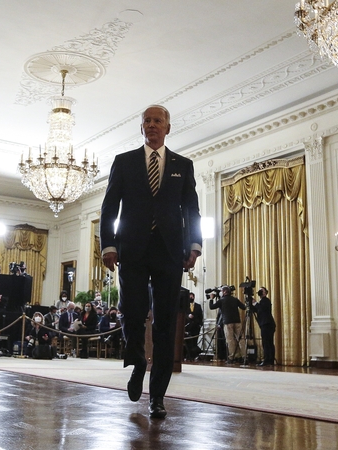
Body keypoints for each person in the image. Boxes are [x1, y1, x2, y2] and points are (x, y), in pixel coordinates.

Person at [100, 104, 202, 419]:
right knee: (132, 313)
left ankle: (157, 396)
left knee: (166, 322)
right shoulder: (124, 162)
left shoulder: (183, 165)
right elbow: (109, 206)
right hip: (131, 248)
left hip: (170, 251)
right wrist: (109, 245)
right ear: (141, 128)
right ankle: (137, 363)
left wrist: (195, 245)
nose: (152, 125)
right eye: (147, 121)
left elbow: (191, 209)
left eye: (158, 120)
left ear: (168, 128)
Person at [209, 286, 246, 364]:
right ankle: (244, 356)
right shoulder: (235, 299)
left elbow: (211, 307)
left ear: (224, 292)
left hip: (227, 322)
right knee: (241, 339)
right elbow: (243, 307)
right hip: (237, 321)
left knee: (230, 340)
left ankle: (231, 357)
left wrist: (211, 298)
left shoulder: (221, 300)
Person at [252, 287, 276, 366]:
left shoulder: (266, 301)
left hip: (267, 324)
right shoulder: (261, 302)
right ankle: (269, 359)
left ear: (265, 292)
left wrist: (255, 304)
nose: (259, 291)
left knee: (267, 343)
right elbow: (257, 310)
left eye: (261, 290)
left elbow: (261, 309)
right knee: (267, 342)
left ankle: (268, 360)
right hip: (265, 324)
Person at [184, 292, 204, 360]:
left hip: (196, 326)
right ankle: (189, 355)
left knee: (195, 340)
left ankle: (194, 355)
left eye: (192, 296)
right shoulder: (185, 306)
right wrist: (188, 316)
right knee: (188, 341)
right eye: (190, 296)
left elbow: (200, 315)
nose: (191, 298)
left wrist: (200, 324)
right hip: (188, 326)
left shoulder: (198, 306)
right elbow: (183, 314)